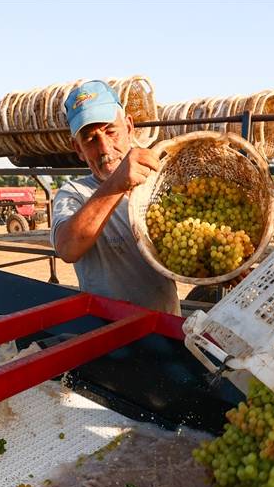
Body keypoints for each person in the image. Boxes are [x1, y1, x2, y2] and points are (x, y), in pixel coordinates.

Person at [50, 81, 181, 315]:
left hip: (165, 326)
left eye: (111, 132)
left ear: (129, 128)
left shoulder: (158, 185)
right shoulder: (74, 194)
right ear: (77, 148)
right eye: (90, 140)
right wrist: (117, 183)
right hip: (108, 336)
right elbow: (67, 248)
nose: (104, 148)